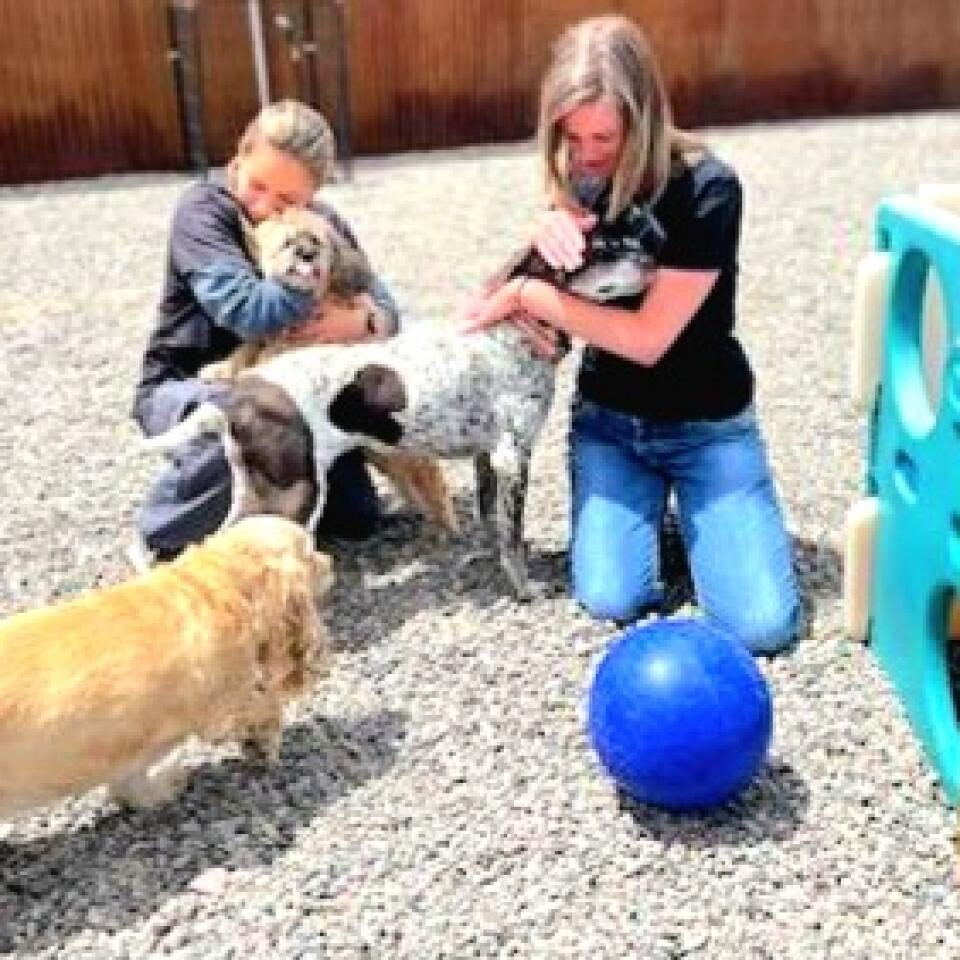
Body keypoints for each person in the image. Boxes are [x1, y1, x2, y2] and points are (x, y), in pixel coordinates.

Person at [463, 15, 800, 656]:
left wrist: (538, 296)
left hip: (708, 425)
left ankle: (705, 513)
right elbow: (483, 311)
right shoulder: (577, 184)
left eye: (604, 137)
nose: (587, 155)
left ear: (643, 119)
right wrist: (535, 248)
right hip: (612, 426)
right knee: (609, 600)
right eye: (572, 137)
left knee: (762, 628)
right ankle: (677, 525)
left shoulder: (707, 190)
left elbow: (648, 338)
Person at [131, 100, 397, 563]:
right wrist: (311, 266)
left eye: (288, 201)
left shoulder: (323, 221)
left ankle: (268, 490)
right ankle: (161, 531)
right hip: (198, 382)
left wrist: (361, 322)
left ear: (313, 195)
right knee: (246, 423)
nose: (265, 207)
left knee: (356, 519)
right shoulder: (203, 211)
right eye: (257, 185)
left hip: (294, 390)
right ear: (240, 153)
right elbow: (245, 310)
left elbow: (389, 309)